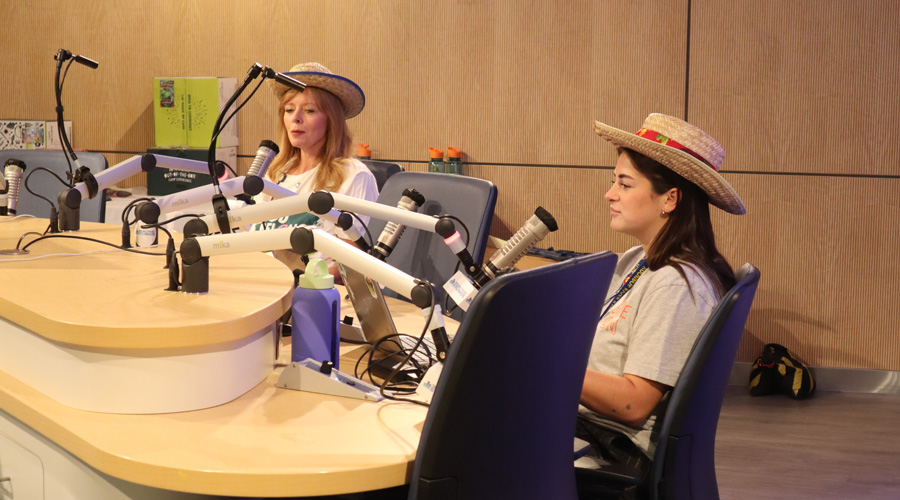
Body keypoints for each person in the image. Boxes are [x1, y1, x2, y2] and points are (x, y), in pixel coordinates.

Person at [576, 113, 746, 497]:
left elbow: (634, 403)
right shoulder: (640, 258)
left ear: (669, 198)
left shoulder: (677, 285)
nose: (610, 194)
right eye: (613, 181)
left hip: (608, 449)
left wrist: (546, 365)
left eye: (624, 183)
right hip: (584, 426)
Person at [255, 62, 378, 274]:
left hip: (312, 293)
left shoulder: (353, 176)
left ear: (331, 120)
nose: (296, 118)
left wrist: (305, 282)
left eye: (309, 110)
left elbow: (356, 259)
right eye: (289, 110)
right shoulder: (274, 172)